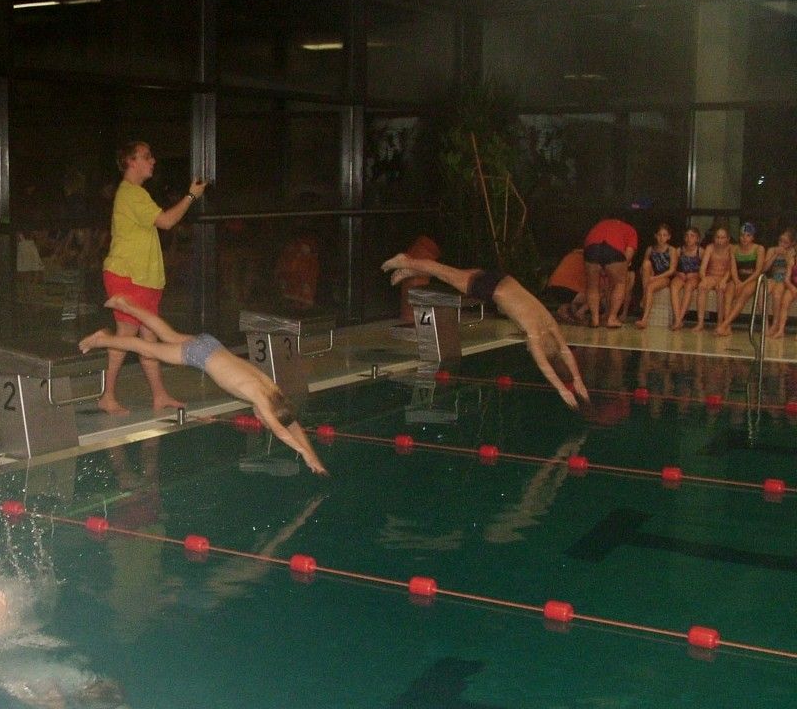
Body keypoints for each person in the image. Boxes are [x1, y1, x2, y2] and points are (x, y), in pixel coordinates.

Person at [80, 295, 328, 475]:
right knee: (146, 348)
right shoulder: (261, 400)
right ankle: (102, 339)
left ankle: (125, 305)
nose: (260, 419)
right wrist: (304, 453)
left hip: (211, 344)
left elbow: (292, 423)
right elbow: (282, 431)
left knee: (167, 335)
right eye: (264, 419)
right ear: (269, 412)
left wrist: (314, 457)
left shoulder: (272, 389)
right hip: (200, 355)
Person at [381, 252, 590, 410]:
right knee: (444, 273)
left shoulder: (550, 324)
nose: (528, 348)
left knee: (452, 272)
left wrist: (577, 379)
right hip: (491, 289)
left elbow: (565, 351)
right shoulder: (534, 334)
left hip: (504, 279)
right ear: (543, 347)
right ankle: (405, 261)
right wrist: (562, 390)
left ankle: (412, 270)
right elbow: (545, 366)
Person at [98, 141, 207, 415]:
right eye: (147, 156)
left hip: (142, 278)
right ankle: (107, 396)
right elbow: (167, 221)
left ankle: (159, 394)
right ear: (131, 162)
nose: (153, 161)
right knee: (126, 335)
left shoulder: (135, 194)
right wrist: (191, 196)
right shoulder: (131, 193)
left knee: (148, 339)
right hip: (128, 276)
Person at [582, 218, 638, 328]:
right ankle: (612, 318)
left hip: (591, 249)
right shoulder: (630, 230)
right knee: (620, 283)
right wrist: (619, 270)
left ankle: (594, 319)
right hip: (613, 249)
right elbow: (628, 255)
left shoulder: (601, 223)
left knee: (592, 286)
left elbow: (589, 241)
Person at [715, 221, 764, 337]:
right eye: (742, 235)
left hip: (752, 279)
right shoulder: (734, 248)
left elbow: (758, 271)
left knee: (743, 295)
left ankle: (724, 324)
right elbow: (733, 268)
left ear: (753, 237)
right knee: (728, 294)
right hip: (738, 278)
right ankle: (728, 328)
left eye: (748, 235)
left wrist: (743, 284)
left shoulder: (759, 249)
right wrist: (737, 282)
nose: (744, 238)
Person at [635, 222, 677, 328]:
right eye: (659, 235)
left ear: (669, 237)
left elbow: (672, 270)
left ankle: (644, 319)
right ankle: (645, 294)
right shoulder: (650, 249)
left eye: (664, 235)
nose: (661, 238)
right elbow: (643, 267)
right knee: (646, 263)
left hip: (665, 277)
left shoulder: (672, 250)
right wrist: (649, 275)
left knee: (650, 287)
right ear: (655, 236)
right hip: (652, 275)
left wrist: (655, 278)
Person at [693, 226, 732, 332]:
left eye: (722, 238)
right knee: (701, 286)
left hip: (725, 277)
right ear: (714, 238)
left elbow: (731, 269)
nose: (719, 240)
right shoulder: (710, 248)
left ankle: (719, 322)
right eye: (717, 237)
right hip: (712, 276)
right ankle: (700, 322)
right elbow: (703, 268)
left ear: (728, 238)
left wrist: (724, 280)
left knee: (721, 289)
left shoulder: (731, 249)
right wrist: (703, 278)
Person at [668, 226, 703, 330]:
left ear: (697, 238)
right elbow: (672, 267)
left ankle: (679, 319)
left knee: (688, 286)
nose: (689, 238)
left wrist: (696, 274)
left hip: (694, 277)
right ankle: (677, 318)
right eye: (687, 236)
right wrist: (678, 273)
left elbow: (706, 269)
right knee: (673, 286)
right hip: (681, 275)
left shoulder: (701, 251)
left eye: (692, 236)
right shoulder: (679, 250)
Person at [764, 228, 796, 338]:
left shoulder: (793, 252)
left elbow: (791, 267)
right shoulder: (772, 250)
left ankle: (775, 324)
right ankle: (765, 324)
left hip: (785, 279)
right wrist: (774, 255)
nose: (782, 244)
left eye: (785, 242)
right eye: (780, 241)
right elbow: (764, 268)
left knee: (777, 294)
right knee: (762, 292)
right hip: (774, 277)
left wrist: (786, 255)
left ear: (792, 243)